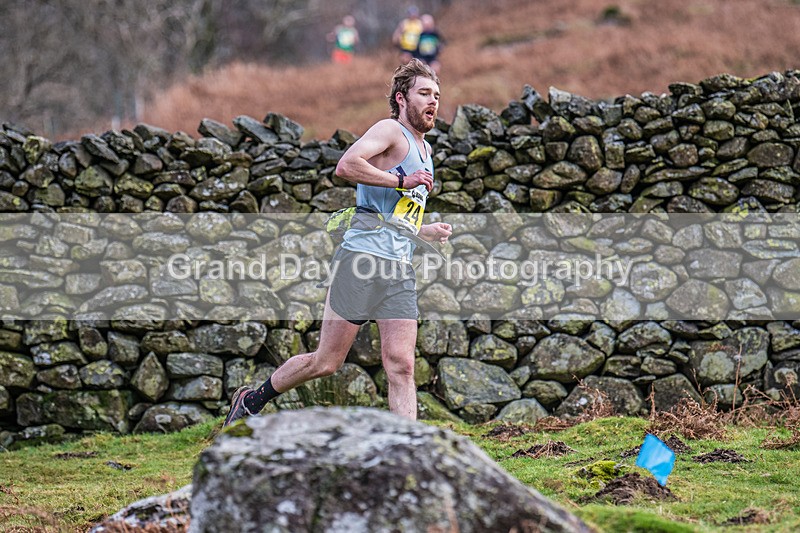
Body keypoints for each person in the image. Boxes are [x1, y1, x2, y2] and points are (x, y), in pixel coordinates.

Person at [224, 59, 452, 426]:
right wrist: (400, 182)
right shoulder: (390, 130)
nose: (433, 101)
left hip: (398, 268)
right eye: (424, 93)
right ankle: (252, 399)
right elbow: (346, 165)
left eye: (437, 95)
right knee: (326, 362)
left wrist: (426, 231)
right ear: (401, 97)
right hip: (361, 260)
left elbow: (394, 217)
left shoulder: (425, 151)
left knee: (402, 364)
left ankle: (409, 446)